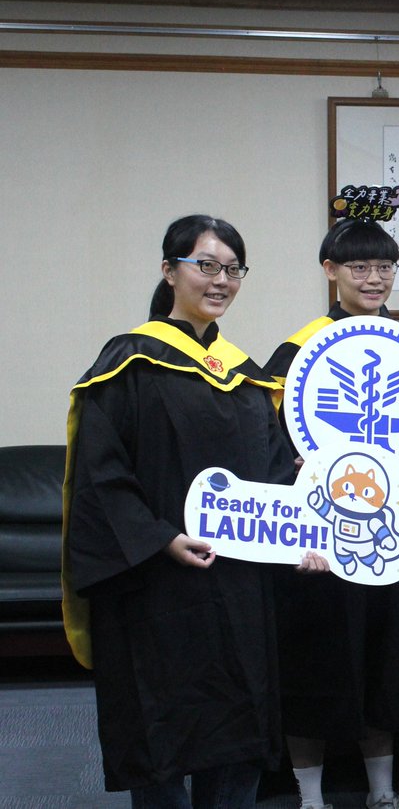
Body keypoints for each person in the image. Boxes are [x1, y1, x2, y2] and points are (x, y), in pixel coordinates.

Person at [62, 215, 301, 807]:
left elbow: (273, 477)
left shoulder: (248, 378)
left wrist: (306, 527)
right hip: (158, 590)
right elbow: (100, 473)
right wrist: (162, 538)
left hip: (239, 588)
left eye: (232, 269)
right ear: (170, 271)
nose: (220, 280)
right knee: (163, 734)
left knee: (238, 734)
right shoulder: (131, 363)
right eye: (206, 266)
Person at [263, 219, 399, 809]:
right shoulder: (299, 350)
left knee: (386, 664)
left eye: (385, 266)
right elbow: (276, 451)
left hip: (389, 537)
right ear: (330, 271)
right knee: (315, 669)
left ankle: (383, 792)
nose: (374, 278)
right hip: (320, 545)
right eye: (358, 266)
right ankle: (310, 798)